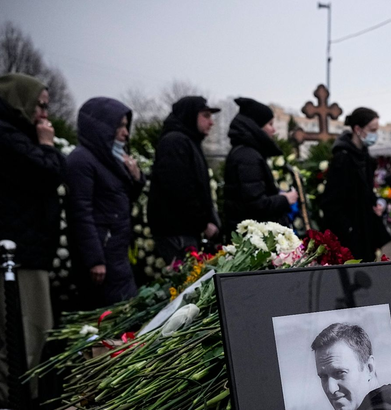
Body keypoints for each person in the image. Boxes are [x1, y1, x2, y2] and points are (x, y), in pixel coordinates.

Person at [0, 73, 67, 402]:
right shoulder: (8, 135)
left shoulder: (17, 133)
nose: (45, 114)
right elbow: (46, 173)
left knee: (33, 339)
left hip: (29, 253)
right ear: (20, 103)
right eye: (39, 105)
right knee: (22, 342)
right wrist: (47, 146)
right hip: (18, 257)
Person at [66, 97, 145, 308]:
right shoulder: (81, 160)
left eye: (126, 126)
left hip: (116, 254)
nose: (126, 133)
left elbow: (120, 200)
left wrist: (137, 179)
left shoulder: (111, 158)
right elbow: (80, 212)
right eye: (119, 126)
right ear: (101, 127)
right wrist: (95, 260)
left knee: (126, 314)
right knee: (109, 318)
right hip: (103, 259)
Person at [148, 96, 221, 264]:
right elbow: (179, 191)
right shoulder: (175, 142)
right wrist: (204, 223)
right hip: (177, 231)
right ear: (190, 115)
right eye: (206, 116)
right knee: (184, 282)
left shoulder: (187, 141)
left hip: (185, 230)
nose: (211, 122)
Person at [321, 107, 391, 261]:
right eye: (372, 130)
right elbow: (331, 202)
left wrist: (376, 204)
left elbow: (365, 190)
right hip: (349, 235)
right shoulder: (343, 158)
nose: (375, 135)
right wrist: (349, 229)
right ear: (357, 129)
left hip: (364, 229)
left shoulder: (365, 157)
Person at [223, 97, 297, 235]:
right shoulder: (248, 157)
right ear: (256, 126)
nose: (273, 130)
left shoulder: (248, 153)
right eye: (270, 124)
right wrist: (286, 199)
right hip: (253, 240)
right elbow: (255, 205)